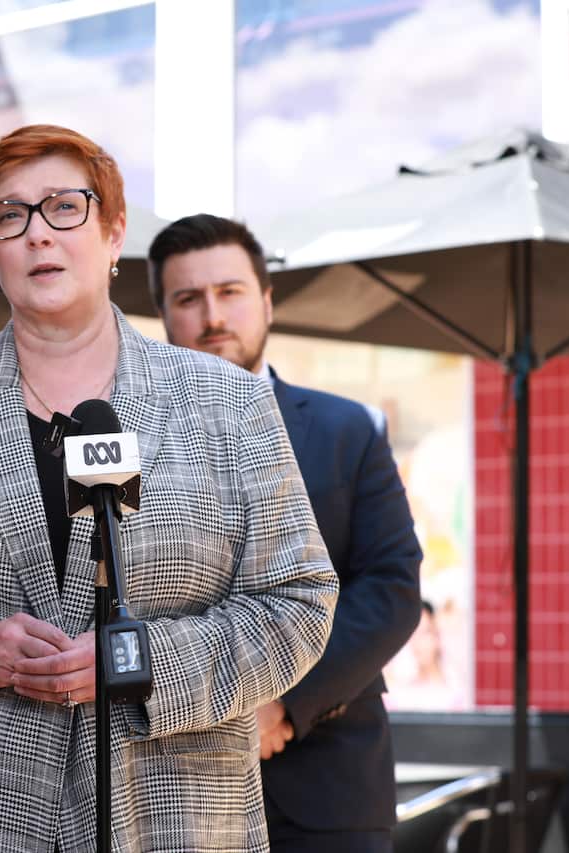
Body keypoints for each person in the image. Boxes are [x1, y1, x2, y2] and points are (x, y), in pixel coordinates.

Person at [0, 124, 338, 852]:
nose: (37, 234)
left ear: (113, 234)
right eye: (10, 215)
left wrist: (138, 660)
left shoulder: (228, 403)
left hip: (163, 817)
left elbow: (299, 603)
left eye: (64, 207)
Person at [148, 213, 422, 853]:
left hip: (327, 788)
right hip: (169, 789)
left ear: (267, 302)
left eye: (231, 292)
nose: (212, 315)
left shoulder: (346, 430)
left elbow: (390, 589)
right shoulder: (125, 443)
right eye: (188, 298)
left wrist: (285, 706)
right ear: (163, 316)